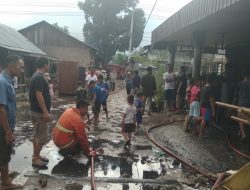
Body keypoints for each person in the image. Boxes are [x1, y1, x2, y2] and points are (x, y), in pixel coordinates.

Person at [0, 55, 24, 190]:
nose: (22, 70)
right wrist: (8, 132)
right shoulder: (2, 82)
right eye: (20, 67)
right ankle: (5, 183)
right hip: (3, 126)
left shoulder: (9, 80)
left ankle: (5, 178)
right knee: (4, 153)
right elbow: (1, 109)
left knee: (6, 152)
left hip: (7, 125)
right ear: (11, 66)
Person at [29, 57, 51, 168]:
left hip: (36, 111)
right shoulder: (38, 77)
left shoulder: (37, 76)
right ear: (45, 65)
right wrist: (45, 112)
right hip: (39, 112)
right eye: (49, 64)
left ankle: (36, 155)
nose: (49, 66)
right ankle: (35, 158)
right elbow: (39, 94)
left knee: (36, 135)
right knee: (42, 136)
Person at [237, 71, 250, 141]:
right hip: (249, 103)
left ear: (244, 76)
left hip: (242, 102)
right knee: (247, 116)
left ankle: (243, 134)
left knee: (240, 117)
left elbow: (236, 95)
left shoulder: (240, 84)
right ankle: (240, 131)